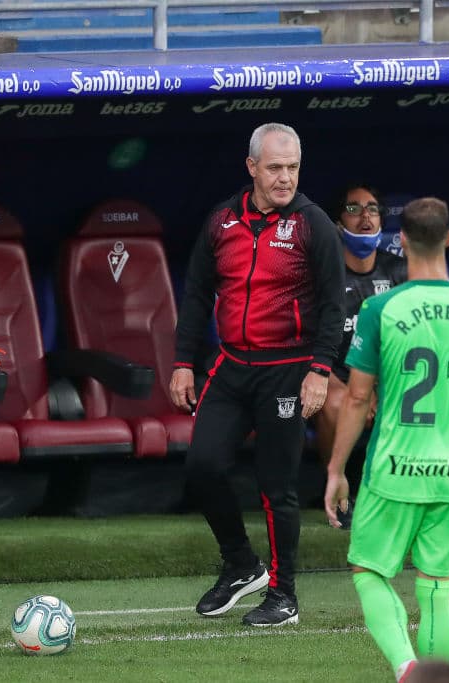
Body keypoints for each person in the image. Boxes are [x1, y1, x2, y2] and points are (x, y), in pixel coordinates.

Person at [324, 197, 449, 682]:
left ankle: (407, 668)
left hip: (393, 471)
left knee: (368, 570)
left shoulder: (381, 308)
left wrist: (334, 470)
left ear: (403, 241)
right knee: (436, 589)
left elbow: (354, 399)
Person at [170, 122, 344, 626]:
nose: (285, 178)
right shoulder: (221, 221)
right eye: (275, 168)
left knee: (276, 485)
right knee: (201, 467)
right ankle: (241, 565)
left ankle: (283, 594)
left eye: (292, 167)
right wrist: (184, 362)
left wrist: (320, 370)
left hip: (288, 368)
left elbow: (334, 305)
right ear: (251, 168)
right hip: (231, 364)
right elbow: (198, 294)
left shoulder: (314, 225)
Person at [315, 183, 408, 510]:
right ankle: (337, 491)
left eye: (372, 209)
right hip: (328, 376)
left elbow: (406, 342)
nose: (364, 216)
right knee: (339, 403)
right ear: (337, 221)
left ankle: (404, 492)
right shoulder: (321, 274)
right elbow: (304, 343)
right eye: (353, 209)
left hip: (379, 378)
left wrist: (377, 388)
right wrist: (355, 389)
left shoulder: (398, 271)